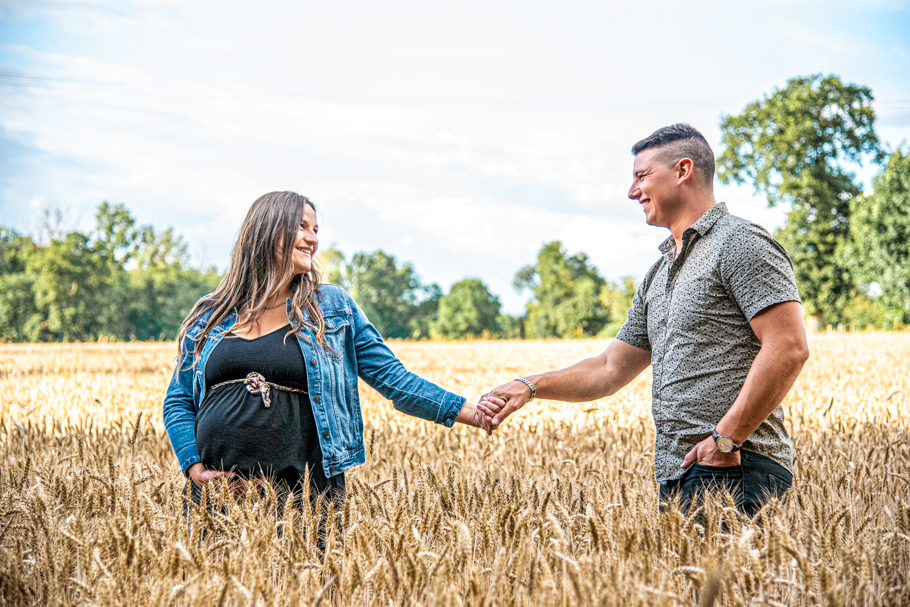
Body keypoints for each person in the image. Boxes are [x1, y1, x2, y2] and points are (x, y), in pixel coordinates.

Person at [477, 124, 810, 517]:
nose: (632, 192)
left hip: (736, 466)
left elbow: (788, 346)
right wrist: (529, 386)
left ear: (682, 171)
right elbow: (608, 368)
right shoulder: (659, 273)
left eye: (641, 176)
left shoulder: (741, 243)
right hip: (681, 471)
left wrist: (725, 440)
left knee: (729, 581)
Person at [163, 191, 497, 523]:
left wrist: (473, 412)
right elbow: (178, 400)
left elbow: (395, 380)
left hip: (304, 495)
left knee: (304, 576)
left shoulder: (332, 306)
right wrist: (194, 469)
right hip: (217, 498)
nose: (312, 240)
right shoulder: (212, 313)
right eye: (302, 227)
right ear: (266, 230)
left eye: (316, 230)